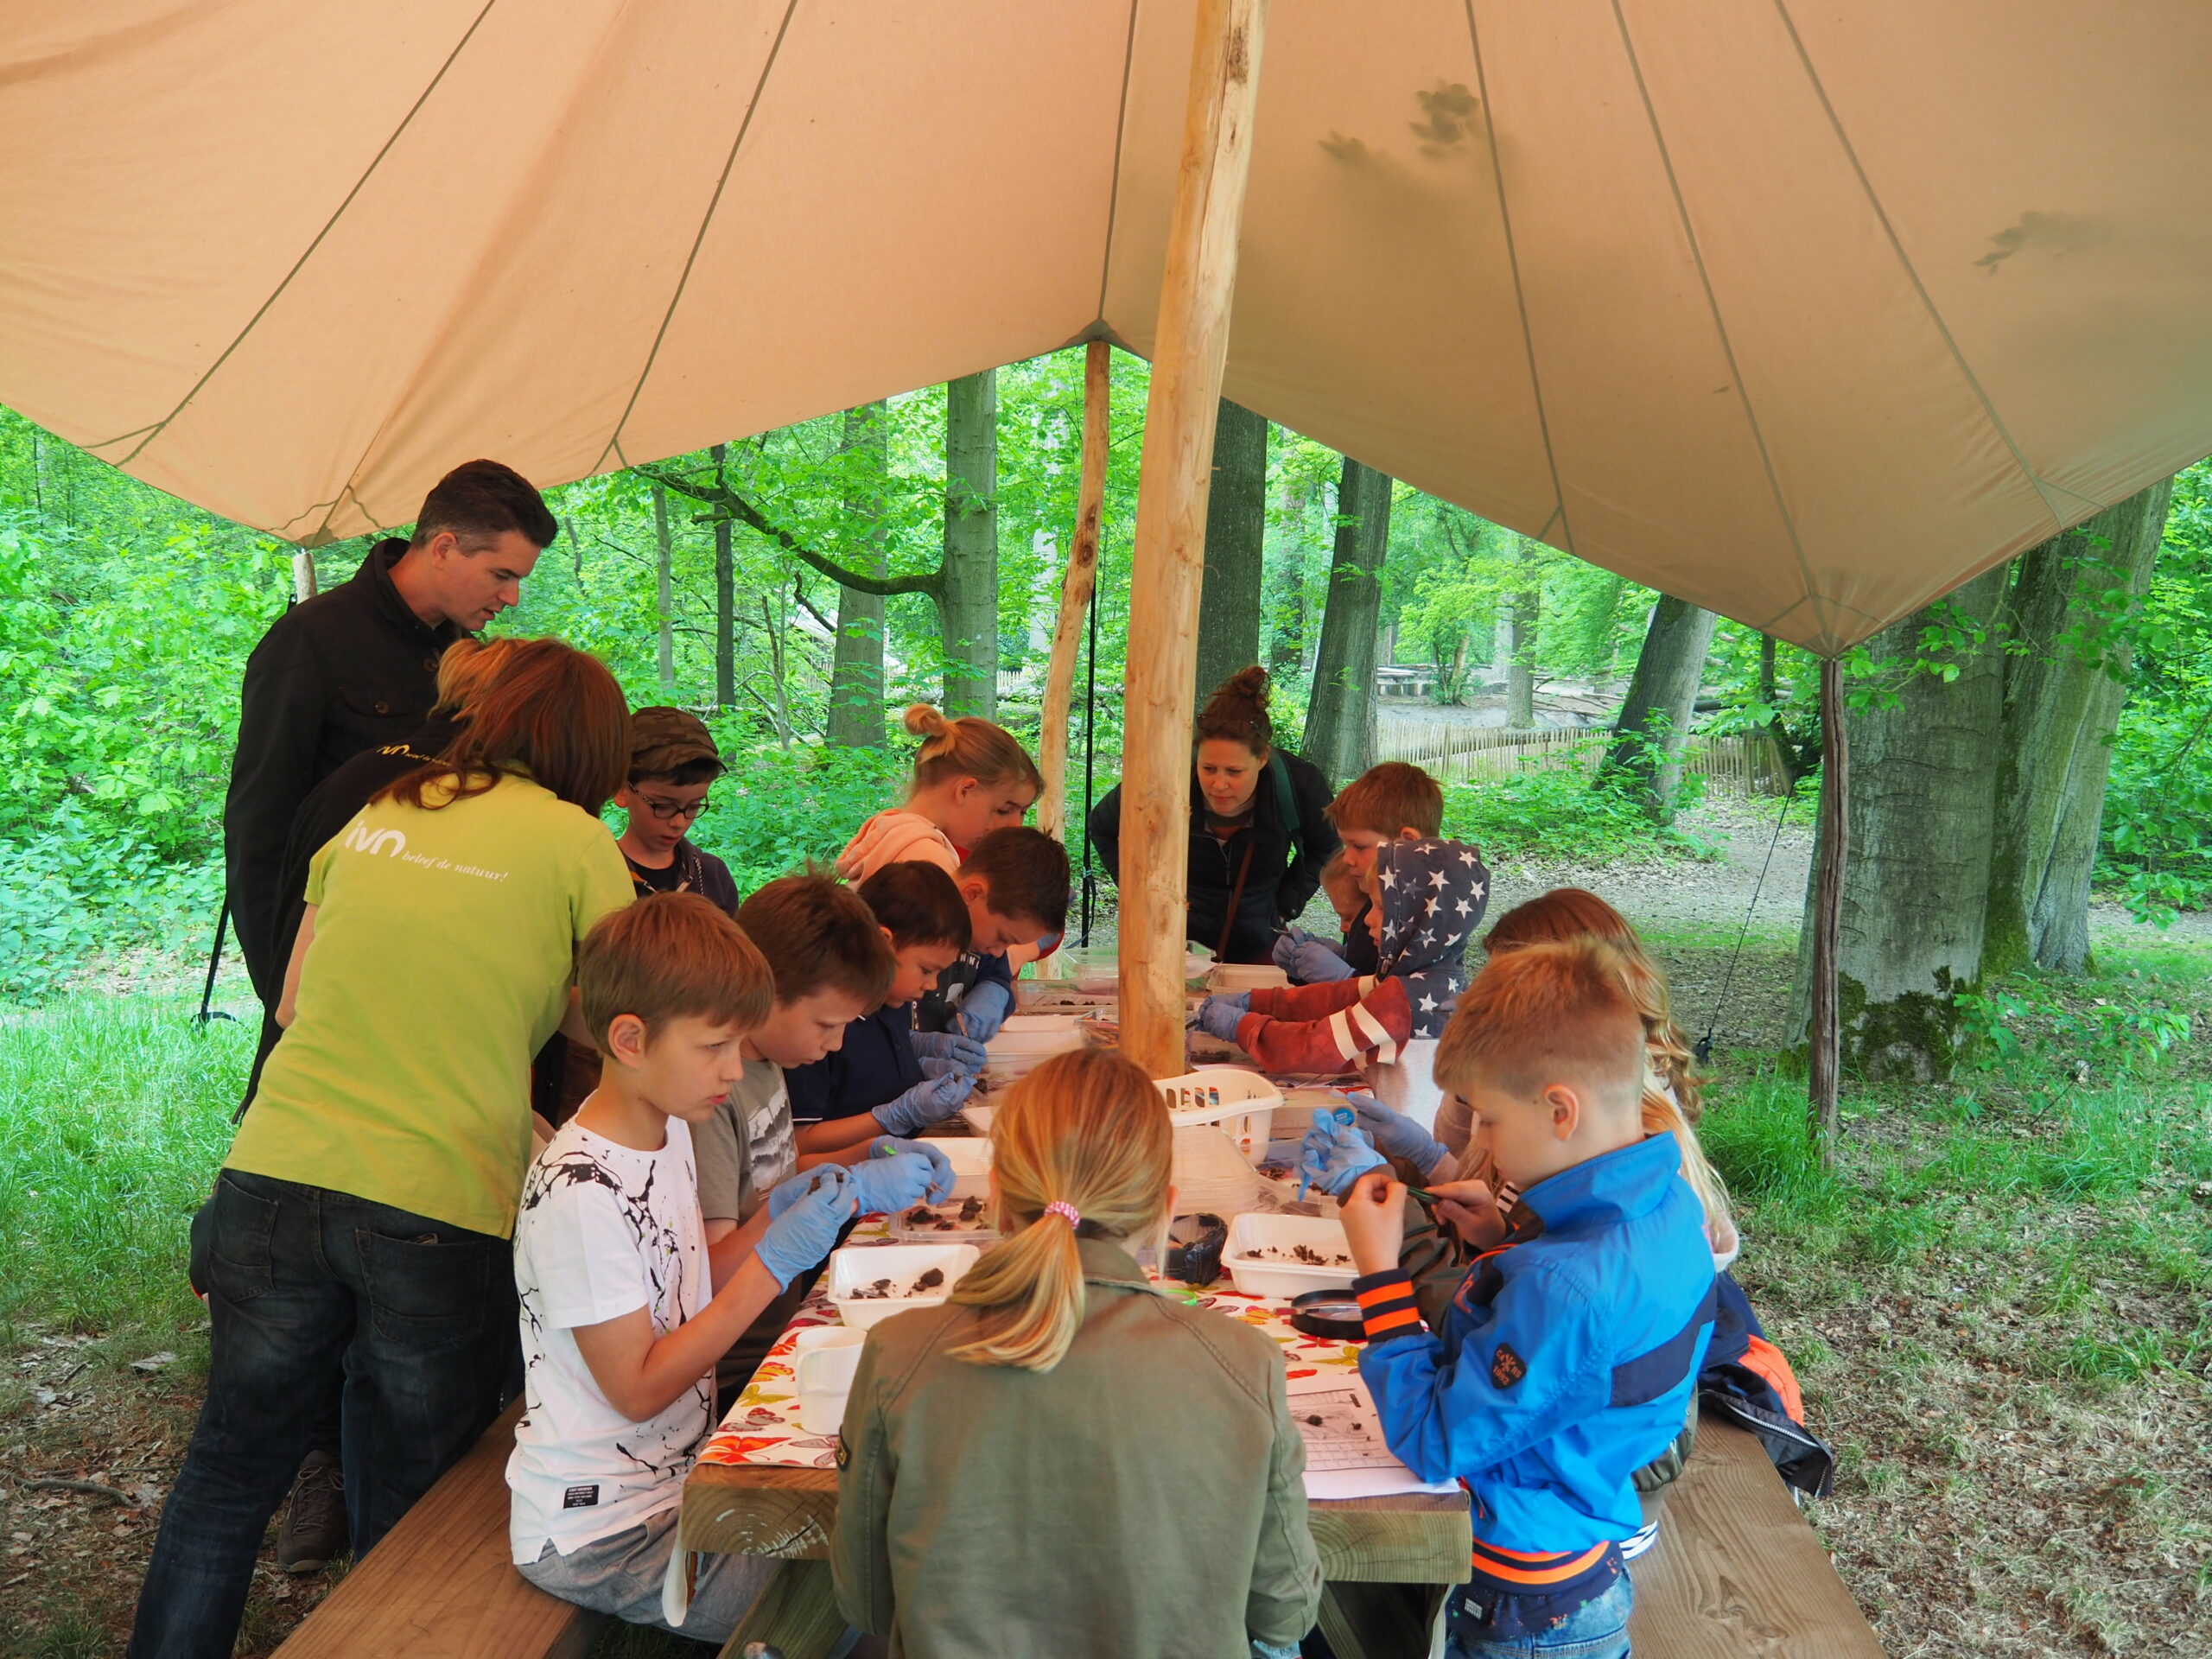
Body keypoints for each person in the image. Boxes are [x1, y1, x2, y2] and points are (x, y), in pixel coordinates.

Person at [130, 639, 634, 1659]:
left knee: (229, 1473)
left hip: (275, 1168)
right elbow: (613, 1025)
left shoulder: (385, 810)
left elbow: (295, 997)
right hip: (437, 1197)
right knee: (414, 1505)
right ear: (591, 747)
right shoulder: (580, 844)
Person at [509, 893, 934, 1641]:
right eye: (714, 1048)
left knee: (893, 1527)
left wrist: (779, 1209)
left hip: (677, 1481)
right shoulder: (581, 1193)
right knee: (867, 1594)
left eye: (740, 1045)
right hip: (602, 1532)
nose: (736, 1070)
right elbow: (638, 1387)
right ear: (631, 1040)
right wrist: (772, 1267)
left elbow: (689, 1280)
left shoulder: (666, 1129)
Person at [830, 1046, 1324, 1659]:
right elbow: (1287, 1614)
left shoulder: (897, 1353)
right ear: (1165, 1209)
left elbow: (868, 1603)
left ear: (999, 1201)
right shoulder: (1245, 1363)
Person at [1334, 939, 1718, 1659]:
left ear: (1560, 1111)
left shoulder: (1568, 1287)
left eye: (1487, 1118)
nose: (1479, 1137)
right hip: (1582, 1544)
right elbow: (1596, 1359)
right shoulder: (1668, 1208)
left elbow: (1435, 1441)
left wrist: (1380, 1276)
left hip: (1522, 1605)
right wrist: (1502, 1235)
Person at [232, 633, 518, 1573]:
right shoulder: (392, 793)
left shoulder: (383, 788)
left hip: (306, 1116)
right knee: (385, 1375)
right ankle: (357, 1516)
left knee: (243, 1445)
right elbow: (295, 955)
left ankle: (339, 1501)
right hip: (385, 1128)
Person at [224, 459, 556, 1010]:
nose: (513, 598)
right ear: (445, 548)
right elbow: (258, 831)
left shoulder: (467, 655)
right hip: (333, 946)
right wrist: (284, 986)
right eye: (503, 574)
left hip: (433, 951)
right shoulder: (309, 643)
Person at [695, 874, 953, 1395]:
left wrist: (869, 1154)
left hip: (782, 1324)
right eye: (826, 1024)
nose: (836, 1044)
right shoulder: (712, 1098)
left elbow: (776, 1178)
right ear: (764, 990)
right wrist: (845, 1192)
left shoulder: (768, 1064)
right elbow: (708, 1274)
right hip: (735, 1362)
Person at [1089, 665, 1338, 965]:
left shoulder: (1300, 784)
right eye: (1208, 769)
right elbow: (1103, 827)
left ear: (1261, 758)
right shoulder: (1163, 778)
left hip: (1260, 943)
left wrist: (1286, 905)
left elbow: (1325, 846)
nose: (1219, 785)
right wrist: (1142, 892)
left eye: (1234, 772)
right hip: (1172, 945)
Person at [1194, 836, 1489, 1075]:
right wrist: (1256, 1002)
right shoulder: (1433, 978)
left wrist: (1244, 1027)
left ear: (1422, 921)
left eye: (1381, 909)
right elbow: (1335, 998)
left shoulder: (1406, 994)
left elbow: (1316, 1047)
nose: (1368, 921)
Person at [789, 861, 978, 1156]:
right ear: (884, 943)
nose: (931, 985)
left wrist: (921, 1059)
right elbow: (798, 1144)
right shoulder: (819, 1027)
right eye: (927, 969)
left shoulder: (893, 1001)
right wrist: (892, 1116)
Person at [1274, 761, 1446, 982]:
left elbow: (1394, 1003)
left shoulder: (1419, 922)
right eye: (1346, 846)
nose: (1347, 858)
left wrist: (1343, 979)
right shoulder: (1374, 902)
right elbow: (1363, 966)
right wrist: (1315, 965)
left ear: (1407, 843)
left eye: (1359, 846)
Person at [836, 702, 1042, 881]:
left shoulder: (889, 832)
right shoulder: (928, 861)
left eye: (1023, 812)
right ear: (965, 790)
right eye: (1003, 810)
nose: (1016, 826)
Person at [909, 825, 1069, 1043]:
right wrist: (914, 1051)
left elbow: (997, 973)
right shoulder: (909, 918)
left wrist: (995, 991)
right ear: (974, 894)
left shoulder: (980, 932)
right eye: (1003, 938)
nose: (998, 952)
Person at [613, 707, 741, 912]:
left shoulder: (712, 877)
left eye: (693, 806)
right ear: (621, 789)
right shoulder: (598, 876)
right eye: (663, 806)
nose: (678, 823)